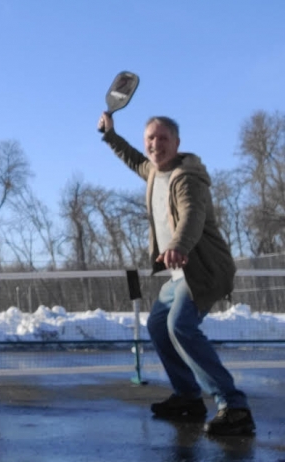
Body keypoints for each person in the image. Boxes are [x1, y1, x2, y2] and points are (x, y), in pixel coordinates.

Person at [98, 111, 255, 436]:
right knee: (158, 325)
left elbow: (192, 215)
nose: (156, 145)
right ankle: (188, 397)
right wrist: (110, 135)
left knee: (180, 325)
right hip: (180, 273)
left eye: (163, 138)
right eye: (150, 139)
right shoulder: (153, 171)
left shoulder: (186, 177)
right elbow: (133, 159)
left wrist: (179, 245)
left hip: (204, 269)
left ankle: (234, 406)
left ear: (177, 143)